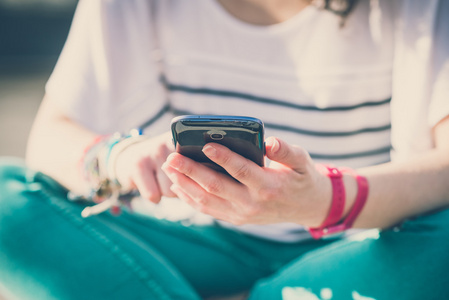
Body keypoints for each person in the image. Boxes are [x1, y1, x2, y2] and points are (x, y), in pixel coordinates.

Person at [1, 0, 448, 299]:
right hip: (196, 246)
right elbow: (51, 136)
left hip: (364, 247)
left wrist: (326, 200)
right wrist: (119, 158)